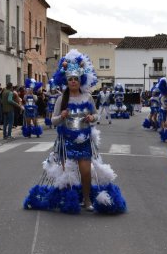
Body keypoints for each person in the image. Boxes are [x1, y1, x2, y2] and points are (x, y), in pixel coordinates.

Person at [24, 49, 126, 214]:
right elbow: (52, 120)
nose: (73, 82)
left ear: (80, 80)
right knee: (68, 174)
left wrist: (92, 118)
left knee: (86, 172)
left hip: (84, 141)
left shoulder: (88, 97)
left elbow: (94, 114)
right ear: (66, 81)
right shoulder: (60, 99)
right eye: (70, 79)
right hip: (66, 142)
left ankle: (86, 200)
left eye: (76, 79)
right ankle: (70, 198)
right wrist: (62, 116)